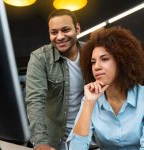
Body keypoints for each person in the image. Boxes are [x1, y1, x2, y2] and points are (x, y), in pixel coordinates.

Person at [67, 26, 144, 150]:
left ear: (122, 61)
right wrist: (88, 103)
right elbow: (76, 148)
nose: (96, 67)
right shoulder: (90, 100)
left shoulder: (142, 98)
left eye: (104, 59)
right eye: (93, 62)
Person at [25, 9, 85, 150]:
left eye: (65, 30)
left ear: (77, 28)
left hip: (89, 137)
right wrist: (40, 142)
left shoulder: (92, 53)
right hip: (56, 141)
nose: (59, 37)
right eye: (54, 32)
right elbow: (35, 101)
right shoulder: (40, 58)